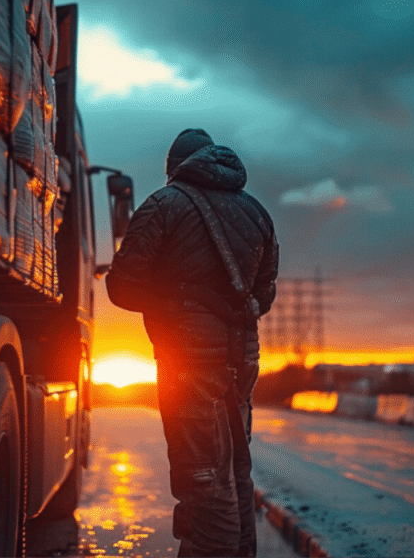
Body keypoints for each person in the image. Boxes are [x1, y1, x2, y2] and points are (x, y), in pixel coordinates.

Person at [106, 128, 279, 557]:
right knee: (237, 475)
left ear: (175, 169)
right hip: (242, 366)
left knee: (203, 480)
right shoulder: (257, 213)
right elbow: (264, 293)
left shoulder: (164, 205)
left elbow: (121, 287)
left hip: (188, 365)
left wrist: (176, 302)